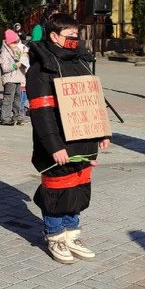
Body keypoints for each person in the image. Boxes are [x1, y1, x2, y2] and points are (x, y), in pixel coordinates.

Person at [26, 14, 110, 264]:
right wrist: (54, 146)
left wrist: (102, 131)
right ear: (53, 36)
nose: (75, 40)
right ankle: (55, 236)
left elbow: (93, 100)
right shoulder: (41, 68)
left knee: (78, 188)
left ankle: (73, 234)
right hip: (58, 145)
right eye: (69, 36)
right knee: (57, 191)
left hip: (83, 142)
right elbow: (42, 114)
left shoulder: (81, 62)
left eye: (77, 35)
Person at [0, 29, 28, 126]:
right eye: (14, 42)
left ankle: (18, 116)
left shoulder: (18, 50)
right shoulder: (4, 52)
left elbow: (24, 60)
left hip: (19, 78)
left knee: (18, 99)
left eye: (17, 42)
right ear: (8, 42)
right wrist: (15, 65)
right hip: (9, 79)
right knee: (8, 98)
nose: (16, 44)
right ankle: (5, 118)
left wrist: (25, 61)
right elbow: (4, 67)